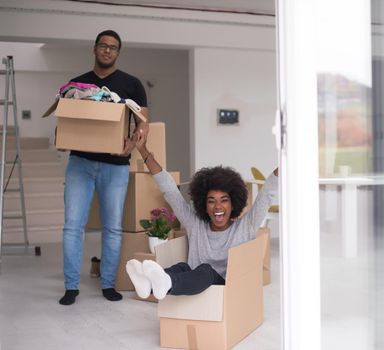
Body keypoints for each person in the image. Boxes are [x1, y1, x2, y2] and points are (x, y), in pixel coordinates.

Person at [125, 133, 278, 300]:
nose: (218, 206)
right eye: (211, 201)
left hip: (223, 288)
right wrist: (144, 151)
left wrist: (289, 155)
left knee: (206, 270)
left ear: (233, 203)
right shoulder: (195, 225)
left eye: (224, 200)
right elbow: (170, 190)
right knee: (183, 267)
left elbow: (267, 192)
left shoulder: (246, 226)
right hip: (194, 284)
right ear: (204, 205)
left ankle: (167, 282)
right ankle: (148, 283)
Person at [59, 30, 149, 305]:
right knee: (73, 226)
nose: (107, 51)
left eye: (113, 47)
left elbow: (142, 123)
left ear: (118, 52)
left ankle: (108, 284)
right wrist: (61, 138)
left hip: (116, 165)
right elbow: (66, 120)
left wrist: (133, 144)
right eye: (103, 46)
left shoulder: (131, 84)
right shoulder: (78, 84)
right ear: (95, 48)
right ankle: (71, 287)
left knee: (111, 227)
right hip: (80, 163)